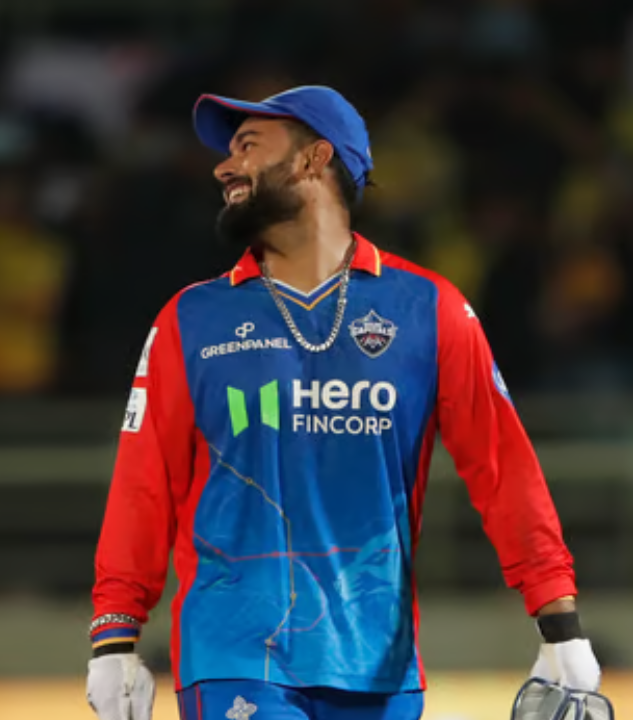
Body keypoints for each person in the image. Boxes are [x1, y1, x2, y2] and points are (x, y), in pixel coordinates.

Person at [85, 86, 602, 720]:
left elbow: (504, 470)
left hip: (379, 665)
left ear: (313, 159)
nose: (224, 165)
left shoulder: (429, 310)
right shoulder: (190, 319)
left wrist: (559, 617)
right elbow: (143, 482)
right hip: (236, 655)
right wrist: (115, 630)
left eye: (247, 145)